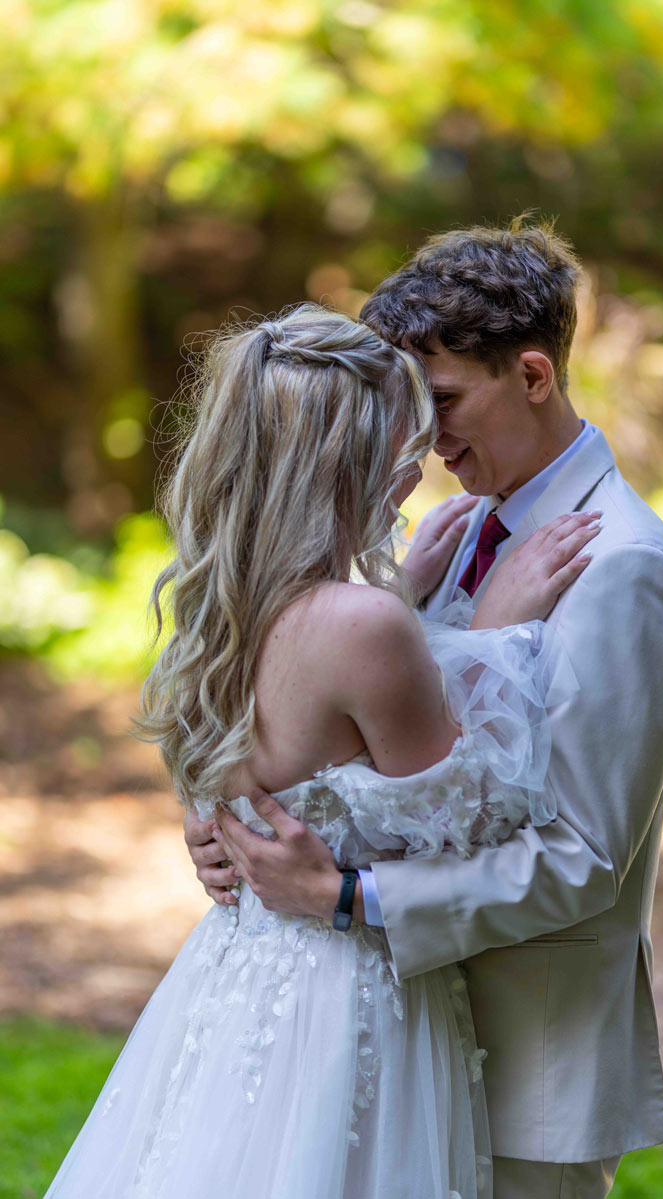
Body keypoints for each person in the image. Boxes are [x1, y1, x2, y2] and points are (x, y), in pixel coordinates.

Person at [188, 220, 663, 1199]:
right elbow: (369, 737)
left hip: (522, 1058)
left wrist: (345, 898)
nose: (423, 437)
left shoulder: (624, 569)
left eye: (444, 400)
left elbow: (579, 854)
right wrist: (252, 820)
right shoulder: (447, 529)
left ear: (532, 374)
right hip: (393, 1034)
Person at [44, 303, 598, 1199]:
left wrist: (413, 614)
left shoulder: (221, 604)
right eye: (403, 443)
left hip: (233, 976)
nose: (420, 468)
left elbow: (313, 749)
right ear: (348, 461)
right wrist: (496, 637)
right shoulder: (366, 624)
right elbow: (474, 817)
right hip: (344, 996)